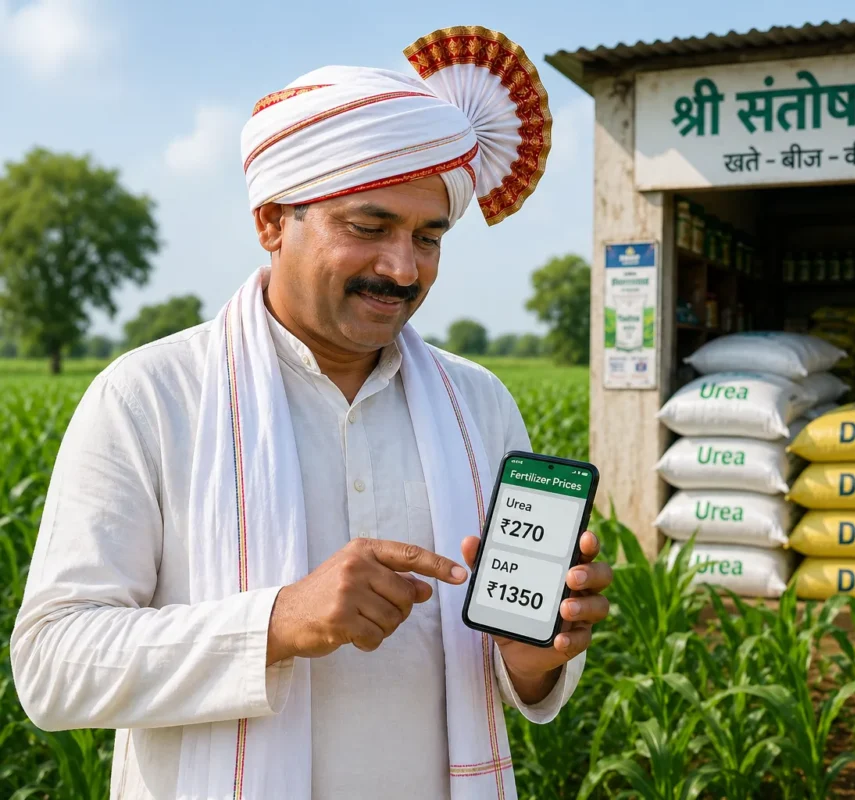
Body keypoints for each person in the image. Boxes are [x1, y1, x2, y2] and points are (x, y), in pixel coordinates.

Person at [10, 26, 609, 800]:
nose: (403, 268)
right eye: (368, 228)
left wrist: (537, 653)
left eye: (429, 237)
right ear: (271, 221)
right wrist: (278, 623)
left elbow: (512, 670)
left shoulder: (479, 404)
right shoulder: (150, 396)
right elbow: (54, 668)